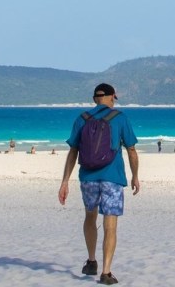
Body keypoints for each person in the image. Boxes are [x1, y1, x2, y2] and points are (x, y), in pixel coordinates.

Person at [58, 83, 139, 285]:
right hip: (113, 177)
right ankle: (106, 272)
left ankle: (91, 261)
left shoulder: (82, 119)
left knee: (90, 217)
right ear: (112, 97)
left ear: (95, 99)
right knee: (110, 224)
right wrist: (135, 176)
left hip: (88, 177)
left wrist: (65, 181)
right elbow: (131, 150)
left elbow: (73, 151)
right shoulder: (120, 118)